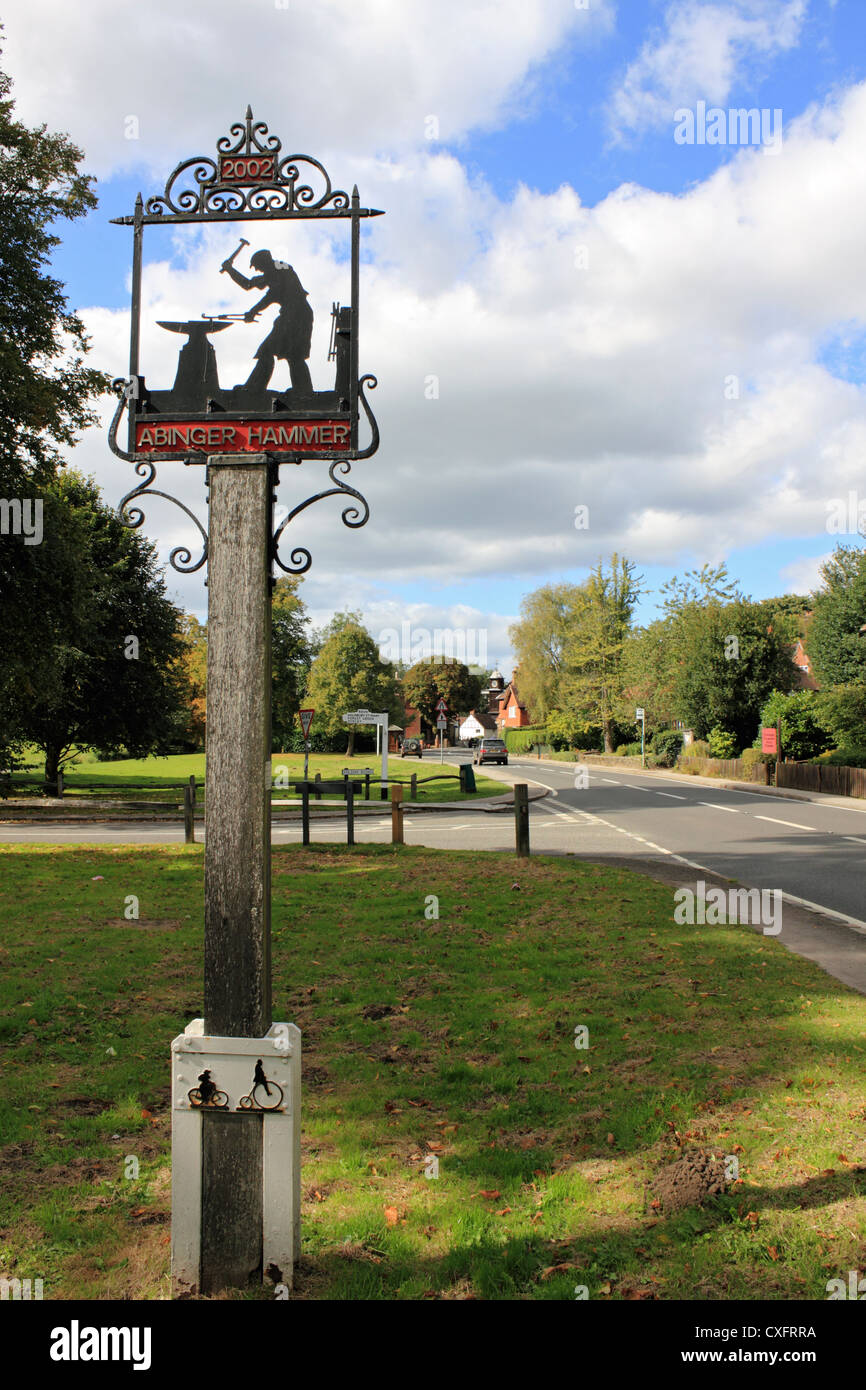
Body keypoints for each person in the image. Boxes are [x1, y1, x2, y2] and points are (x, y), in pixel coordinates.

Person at [223, 248, 314, 394]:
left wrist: (253, 311)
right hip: (295, 315)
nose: (258, 270)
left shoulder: (281, 269)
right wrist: (230, 270)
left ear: (264, 262)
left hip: (295, 316)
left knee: (274, 351)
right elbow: (248, 284)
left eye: (258, 267)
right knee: (292, 354)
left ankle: (254, 388)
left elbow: (271, 295)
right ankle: (302, 390)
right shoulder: (274, 272)